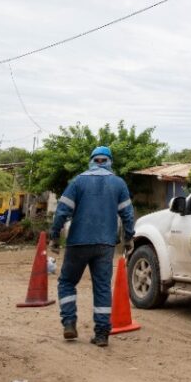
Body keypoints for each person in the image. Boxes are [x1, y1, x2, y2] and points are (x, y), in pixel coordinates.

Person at [50, 145, 136, 346]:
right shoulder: (118, 184)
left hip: (78, 243)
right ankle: (101, 334)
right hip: (105, 245)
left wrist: (54, 236)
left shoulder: (77, 182)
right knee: (103, 287)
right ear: (109, 162)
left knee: (67, 282)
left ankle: (69, 323)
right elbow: (128, 215)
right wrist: (129, 238)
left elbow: (62, 211)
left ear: (91, 160)